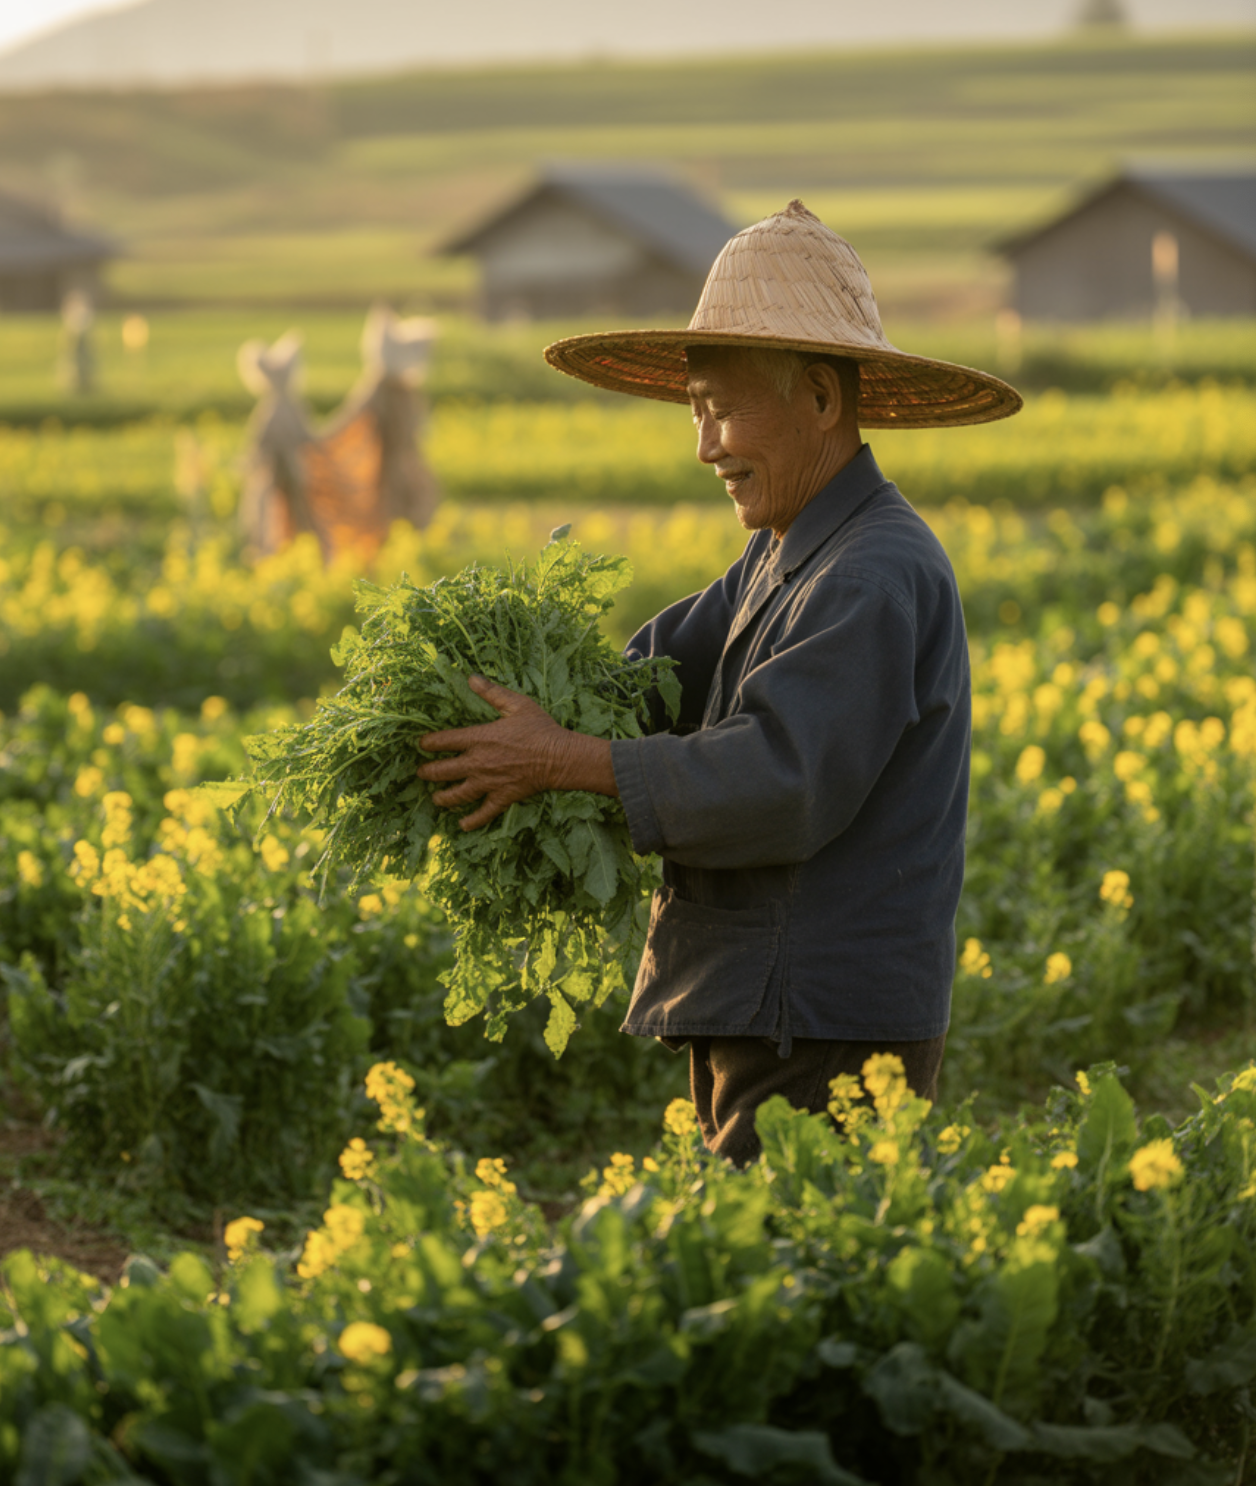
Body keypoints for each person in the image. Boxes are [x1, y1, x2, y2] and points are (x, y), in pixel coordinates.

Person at [417, 201, 1021, 1165]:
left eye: (724, 409)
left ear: (820, 399)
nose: (706, 446)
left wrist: (560, 761)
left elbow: (780, 780)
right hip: (772, 1000)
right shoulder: (789, 551)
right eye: (698, 410)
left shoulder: (869, 574)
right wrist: (501, 700)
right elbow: (653, 678)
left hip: (822, 1018)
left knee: (784, 1250)